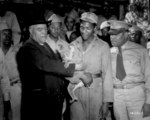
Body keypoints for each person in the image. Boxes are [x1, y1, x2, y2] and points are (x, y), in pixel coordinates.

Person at [16, 15, 77, 120]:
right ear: (31, 31)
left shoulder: (44, 45)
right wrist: (74, 69)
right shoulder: (27, 48)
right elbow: (47, 64)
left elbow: (56, 62)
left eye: (45, 29)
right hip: (38, 105)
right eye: (40, 30)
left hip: (52, 102)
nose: (44, 32)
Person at [69, 12, 113, 120]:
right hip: (76, 92)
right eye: (82, 27)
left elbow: (107, 76)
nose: (84, 31)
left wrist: (106, 102)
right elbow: (66, 70)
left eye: (88, 28)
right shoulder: (73, 45)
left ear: (95, 29)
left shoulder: (103, 46)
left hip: (96, 92)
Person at [109, 20, 150, 120]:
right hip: (117, 96)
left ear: (126, 34)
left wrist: (148, 102)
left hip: (136, 95)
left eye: (116, 34)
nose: (111, 37)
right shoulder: (108, 52)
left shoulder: (140, 51)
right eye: (111, 34)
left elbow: (149, 77)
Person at [0, 22, 21, 120]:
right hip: (1, 90)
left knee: (16, 116)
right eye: (4, 34)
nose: (7, 36)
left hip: (15, 88)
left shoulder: (18, 51)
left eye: (9, 34)